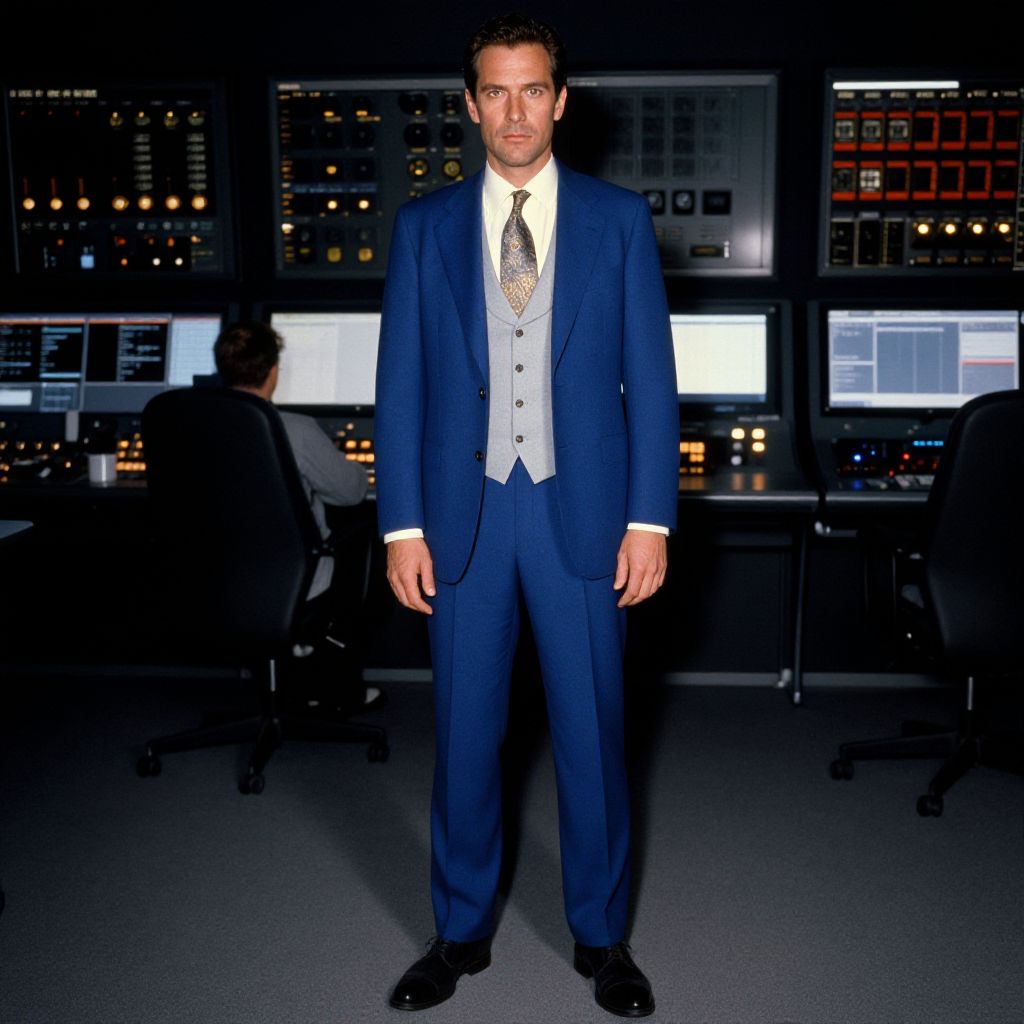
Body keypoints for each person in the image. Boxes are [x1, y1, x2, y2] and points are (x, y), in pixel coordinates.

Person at [375, 13, 678, 1019]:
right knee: (465, 736)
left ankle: (602, 938)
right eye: (492, 92)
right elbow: (401, 385)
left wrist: (651, 518)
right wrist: (400, 524)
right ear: (469, 104)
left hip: (580, 512)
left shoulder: (619, 219)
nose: (512, 111)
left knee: (593, 734)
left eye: (529, 89)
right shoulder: (421, 228)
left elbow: (652, 381)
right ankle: (459, 929)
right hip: (461, 519)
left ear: (559, 98)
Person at [213, 320, 382, 713]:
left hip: (217, 583)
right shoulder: (296, 430)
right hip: (293, 585)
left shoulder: (190, 427)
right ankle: (336, 685)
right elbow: (353, 490)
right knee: (361, 536)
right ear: (273, 371)